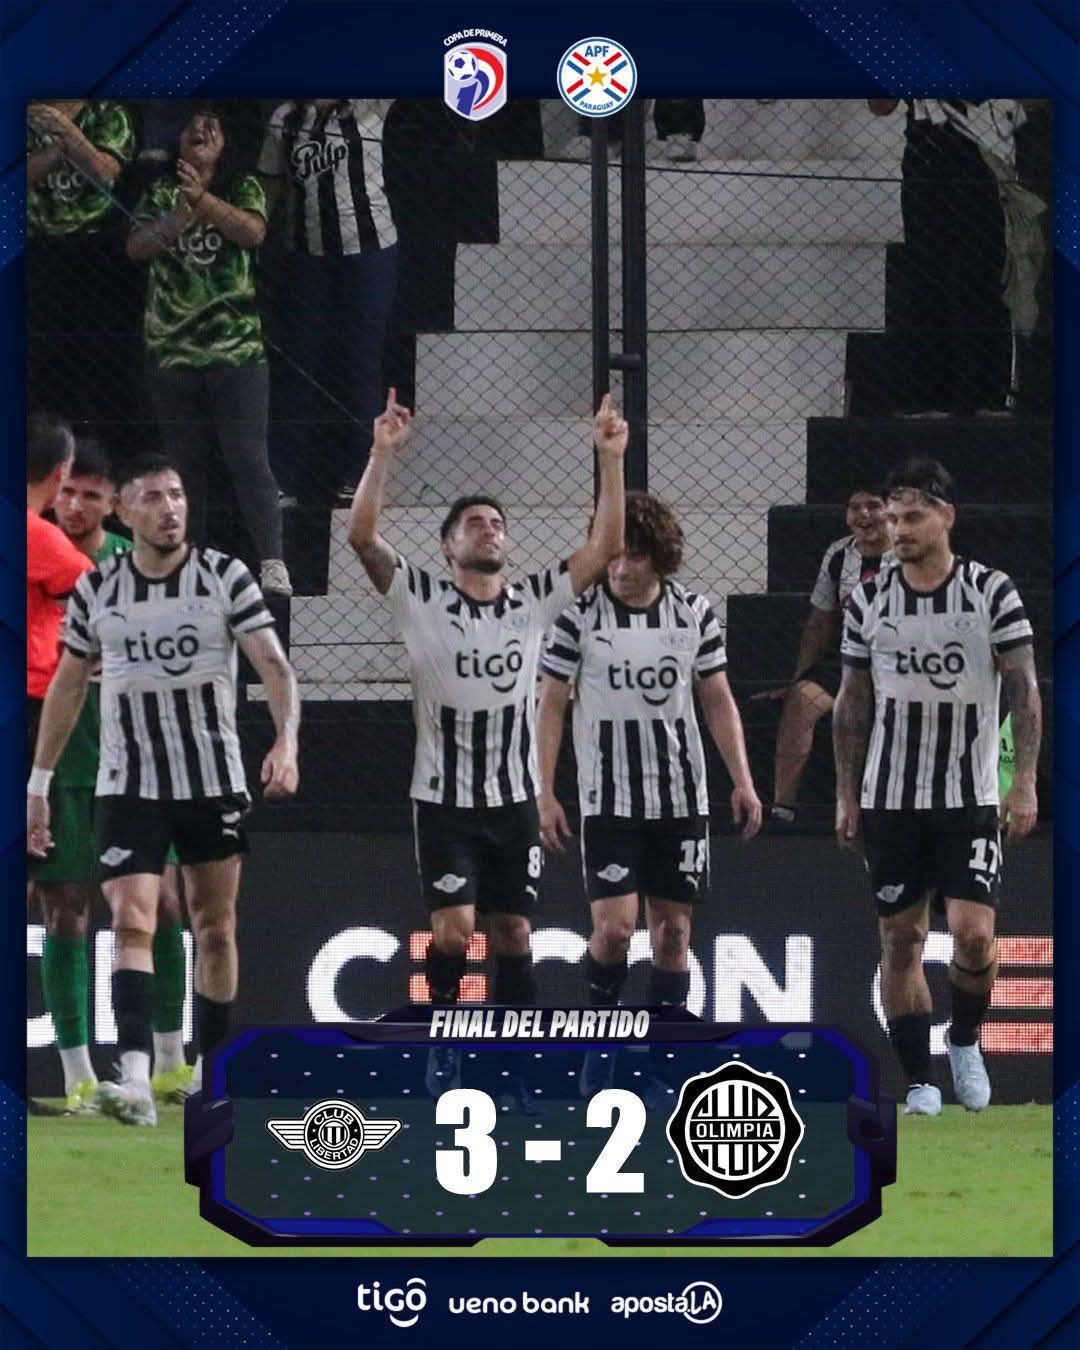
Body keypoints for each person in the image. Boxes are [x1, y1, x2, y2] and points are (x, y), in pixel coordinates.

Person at [348, 390, 626, 1104]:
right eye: (474, 523)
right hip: (443, 800)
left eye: (498, 523)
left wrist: (610, 457)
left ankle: (516, 1068)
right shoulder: (420, 597)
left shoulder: (530, 602)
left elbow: (603, 550)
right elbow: (363, 538)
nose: (490, 529)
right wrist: (382, 453)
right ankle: (441, 1046)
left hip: (512, 800)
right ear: (448, 547)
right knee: (452, 935)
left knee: (513, 936)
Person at [28, 453, 300, 1126]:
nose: (170, 507)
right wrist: (39, 781)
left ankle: (212, 1070)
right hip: (129, 785)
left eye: (176, 493)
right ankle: (136, 1082)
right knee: (131, 920)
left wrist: (286, 741)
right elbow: (68, 684)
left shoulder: (224, 576)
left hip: (211, 781)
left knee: (215, 927)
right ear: (126, 512)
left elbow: (273, 665)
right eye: (151, 497)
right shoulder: (99, 589)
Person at [537, 492, 762, 1098]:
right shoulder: (578, 617)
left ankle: (665, 1060)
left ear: (659, 556)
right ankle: (602, 1038)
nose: (620, 568)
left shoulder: (693, 612)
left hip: (680, 799)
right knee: (615, 931)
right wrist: (544, 790)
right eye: (611, 554)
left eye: (633, 555)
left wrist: (742, 780)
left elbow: (717, 699)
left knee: (673, 935)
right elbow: (551, 704)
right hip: (608, 801)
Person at [834, 458, 1040, 1116]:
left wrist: (1024, 781)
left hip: (970, 796)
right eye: (892, 518)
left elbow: (1023, 690)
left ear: (946, 516)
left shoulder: (990, 591)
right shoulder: (868, 600)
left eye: (912, 516)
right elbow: (851, 703)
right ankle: (920, 1081)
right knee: (901, 941)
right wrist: (846, 793)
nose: (899, 529)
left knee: (975, 935)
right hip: (891, 799)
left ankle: (965, 1038)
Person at [31, 440, 191, 1112]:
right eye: (68, 492)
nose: (75, 505)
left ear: (114, 506)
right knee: (66, 907)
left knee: (165, 906)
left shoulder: (136, 565)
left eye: (91, 495)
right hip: (67, 763)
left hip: (140, 763)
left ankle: (170, 1065)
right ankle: (78, 1078)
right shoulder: (35, 560)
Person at [127, 106, 291, 596]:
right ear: (176, 140)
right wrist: (180, 213)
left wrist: (204, 200)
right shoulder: (159, 191)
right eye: (191, 125)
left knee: (248, 459)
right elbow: (137, 246)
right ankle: (186, 566)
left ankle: (273, 562)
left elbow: (252, 232)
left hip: (235, 352)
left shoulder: (243, 186)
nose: (200, 131)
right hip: (172, 353)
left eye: (212, 126)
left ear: (225, 141)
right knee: (184, 467)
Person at [258, 100, 398, 504]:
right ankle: (283, 476)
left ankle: (360, 474)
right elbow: (269, 186)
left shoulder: (369, 102)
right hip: (306, 255)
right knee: (299, 365)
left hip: (369, 250)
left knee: (361, 361)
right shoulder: (285, 117)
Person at [868, 99, 1018, 416]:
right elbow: (880, 105)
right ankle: (930, 395)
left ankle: (984, 395)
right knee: (927, 273)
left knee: (979, 271)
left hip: (982, 145)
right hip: (927, 146)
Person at [754, 488, 890, 824]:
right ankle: (782, 808)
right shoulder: (840, 553)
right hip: (848, 657)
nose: (863, 515)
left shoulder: (909, 553)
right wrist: (800, 677)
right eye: (854, 507)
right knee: (803, 698)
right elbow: (820, 620)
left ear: (892, 511)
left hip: (897, 658)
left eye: (873, 506)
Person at [26, 102, 138, 438]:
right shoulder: (23, 115)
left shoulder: (109, 113)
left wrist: (67, 131)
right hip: (38, 248)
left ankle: (99, 446)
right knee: (42, 355)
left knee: (100, 355)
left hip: (96, 250)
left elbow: (104, 173)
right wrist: (60, 149)